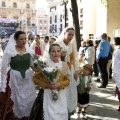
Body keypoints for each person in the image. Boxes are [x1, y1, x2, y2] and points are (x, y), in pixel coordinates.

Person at [1, 31, 36, 119]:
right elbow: (3, 68)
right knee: (14, 101)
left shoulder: (29, 50)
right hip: (14, 79)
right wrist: (2, 83)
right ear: (15, 39)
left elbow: (33, 65)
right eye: (21, 39)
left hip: (28, 79)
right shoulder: (10, 51)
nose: (24, 41)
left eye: (25, 39)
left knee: (28, 100)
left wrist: (44, 74)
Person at [30, 43, 70, 120]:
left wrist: (59, 84)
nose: (56, 53)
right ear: (49, 52)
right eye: (53, 51)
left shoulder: (64, 65)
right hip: (46, 94)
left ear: (60, 52)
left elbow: (68, 80)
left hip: (60, 95)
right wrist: (46, 85)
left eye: (58, 51)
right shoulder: (43, 64)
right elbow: (35, 78)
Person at [55, 26, 79, 118]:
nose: (71, 37)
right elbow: (51, 58)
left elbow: (75, 59)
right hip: (60, 72)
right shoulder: (58, 44)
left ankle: (68, 112)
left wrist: (76, 70)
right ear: (64, 34)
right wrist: (61, 55)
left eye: (72, 35)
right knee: (62, 92)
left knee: (70, 92)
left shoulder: (72, 44)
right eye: (69, 34)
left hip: (71, 71)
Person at [112, 37, 120, 111]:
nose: (112, 41)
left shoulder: (119, 50)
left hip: (118, 71)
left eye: (113, 40)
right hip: (116, 71)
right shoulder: (117, 49)